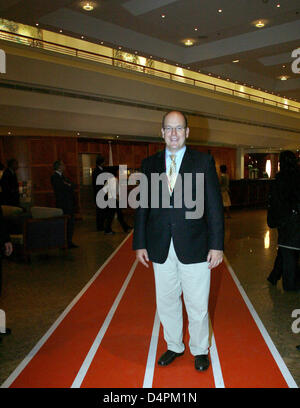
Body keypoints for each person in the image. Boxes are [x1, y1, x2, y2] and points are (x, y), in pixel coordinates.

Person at [133, 111, 224, 372]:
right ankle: (174, 345)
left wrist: (216, 245)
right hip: (160, 245)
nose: (174, 133)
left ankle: (199, 349)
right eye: (169, 128)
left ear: (187, 132)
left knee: (197, 303)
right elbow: (143, 207)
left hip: (195, 244)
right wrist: (140, 243)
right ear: (161, 132)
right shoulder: (149, 164)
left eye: (179, 128)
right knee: (167, 301)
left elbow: (214, 206)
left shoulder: (203, 162)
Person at [267, 150, 300, 291]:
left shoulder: (280, 179)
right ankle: (282, 280)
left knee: (287, 249)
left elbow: (275, 202)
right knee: (288, 251)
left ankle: (279, 278)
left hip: (286, 221)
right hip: (294, 220)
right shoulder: (296, 177)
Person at [51, 160, 78, 249]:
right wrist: (68, 185)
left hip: (69, 203)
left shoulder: (63, 177)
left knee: (70, 223)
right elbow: (62, 188)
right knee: (65, 223)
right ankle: (64, 242)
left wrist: (68, 185)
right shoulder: (55, 177)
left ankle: (68, 241)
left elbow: (72, 185)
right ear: (59, 167)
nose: (64, 166)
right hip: (63, 204)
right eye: (63, 165)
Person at [102, 166, 131, 234]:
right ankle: (108, 229)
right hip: (112, 200)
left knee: (117, 214)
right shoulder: (114, 180)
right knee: (112, 215)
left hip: (113, 199)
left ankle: (125, 227)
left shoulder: (114, 180)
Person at [92, 155, 107, 232]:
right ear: (101, 162)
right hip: (99, 194)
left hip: (103, 194)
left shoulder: (102, 170)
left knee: (103, 211)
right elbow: (98, 184)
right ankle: (100, 227)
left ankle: (102, 225)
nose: (105, 163)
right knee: (100, 212)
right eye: (104, 161)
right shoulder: (96, 171)